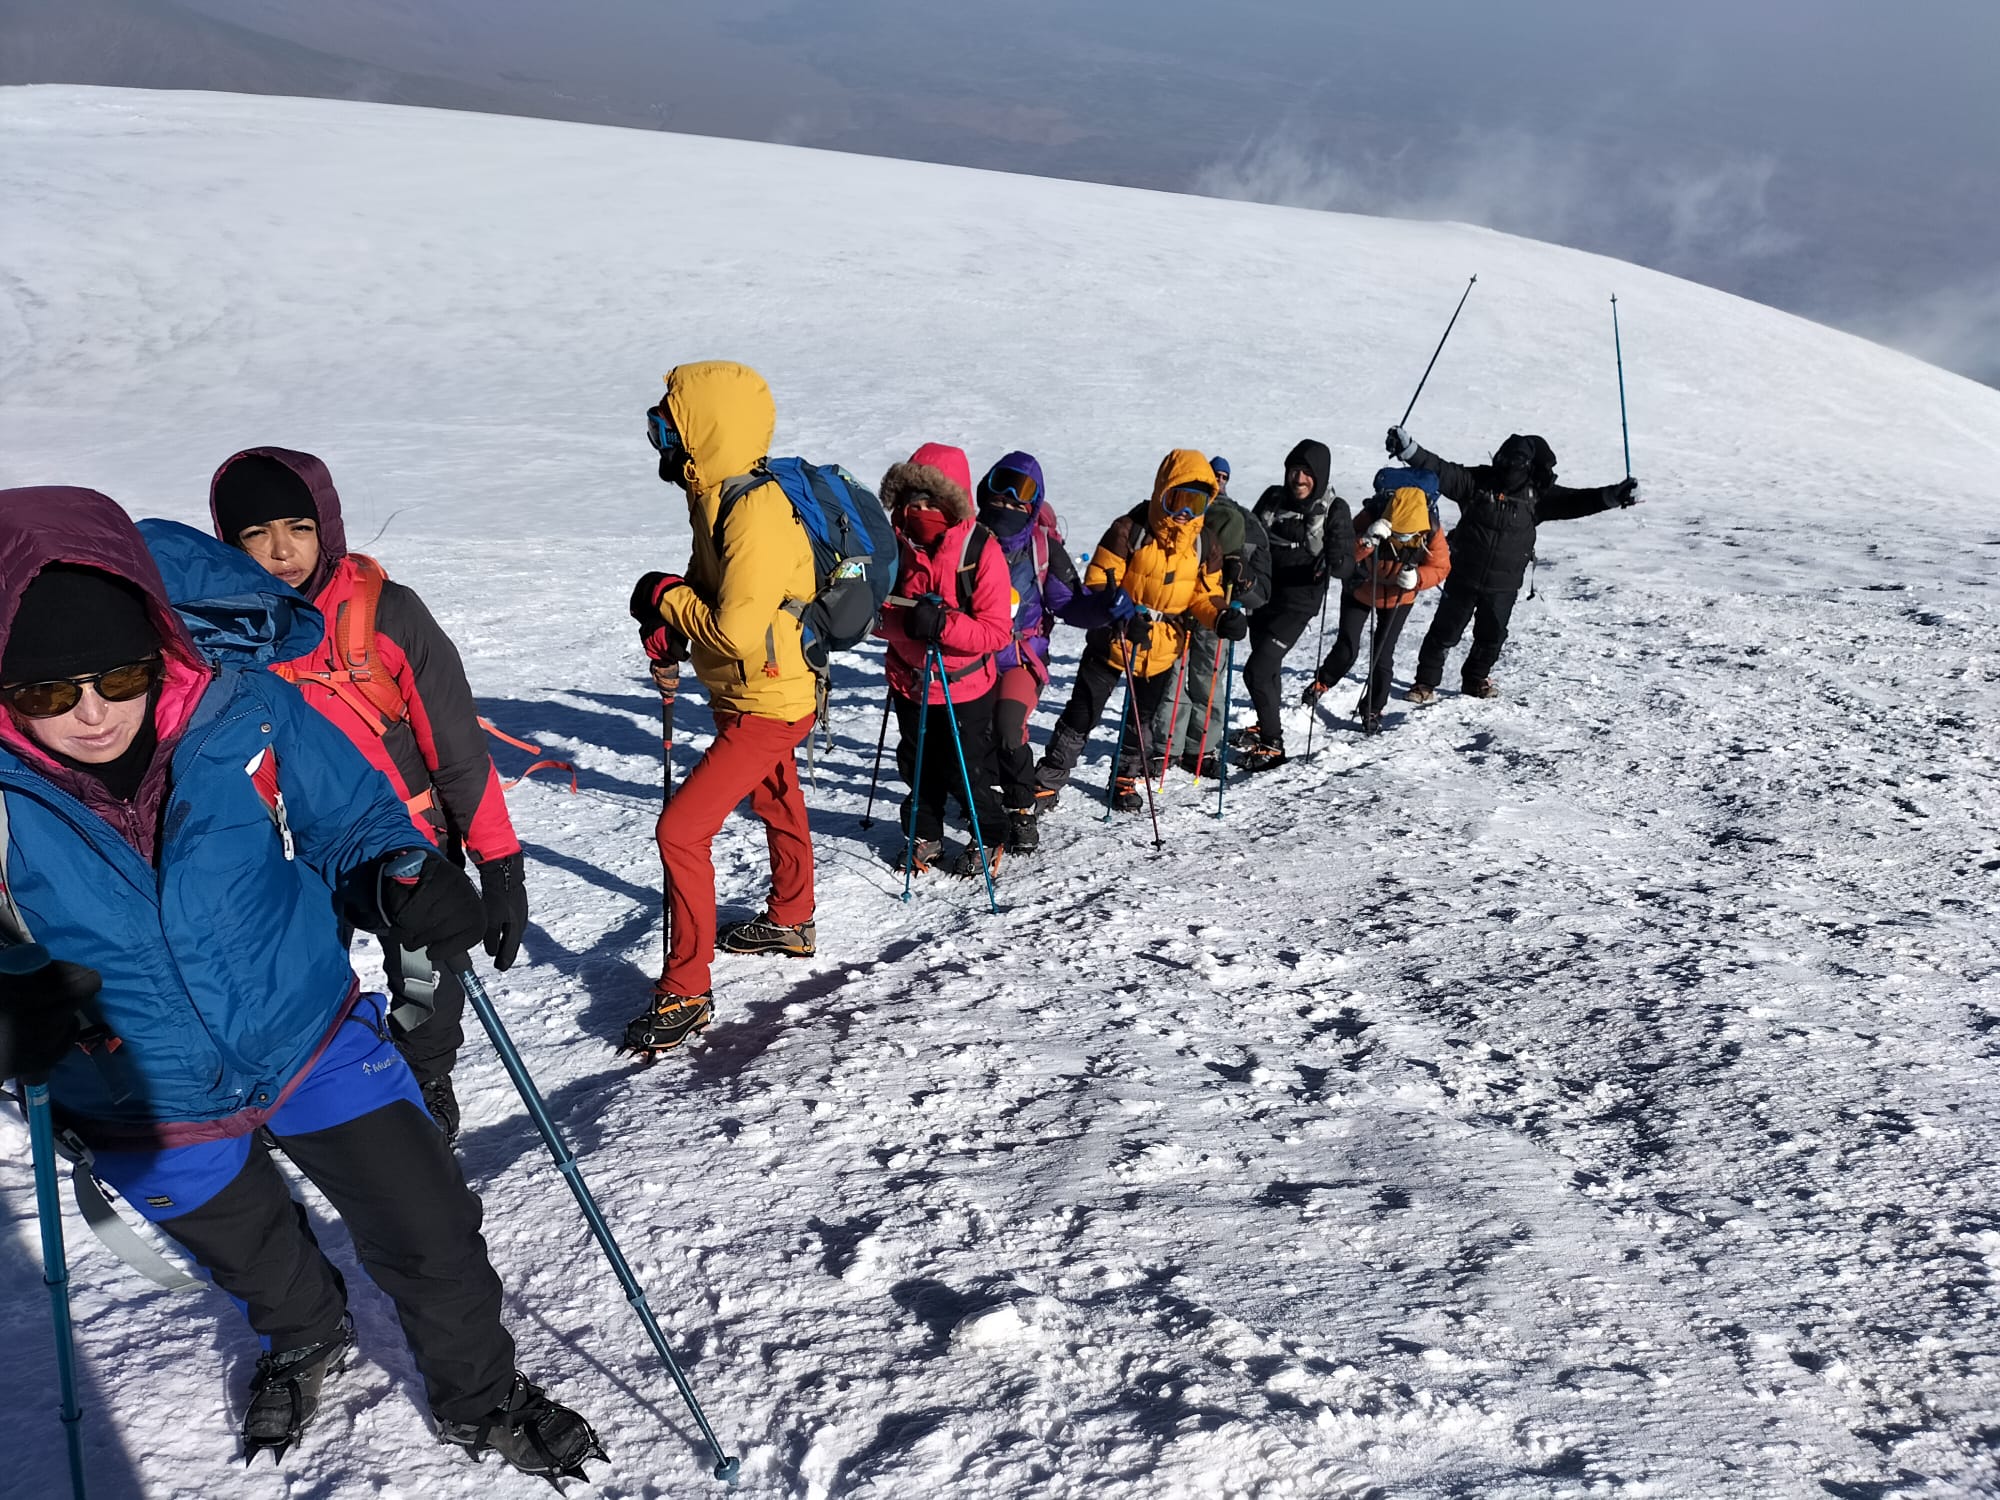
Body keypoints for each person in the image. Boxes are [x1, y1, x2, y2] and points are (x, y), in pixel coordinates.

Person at [0, 490, 599, 1478]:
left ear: (159, 651)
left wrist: (396, 875)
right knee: (256, 1262)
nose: (95, 712)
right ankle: (307, 1334)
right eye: (47, 695)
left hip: (308, 1034)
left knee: (430, 1230)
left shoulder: (248, 711)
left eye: (119, 674)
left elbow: (352, 820)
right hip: (137, 1097)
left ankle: (479, 1395)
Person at [210, 447, 526, 1144]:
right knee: (297, 985)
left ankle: (425, 1078)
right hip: (286, 849)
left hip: (400, 839)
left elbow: (458, 750)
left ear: (327, 525)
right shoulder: (219, 632)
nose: (281, 550)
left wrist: (499, 861)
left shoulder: (389, 615)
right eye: (255, 535)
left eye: (297, 525)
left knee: (424, 974)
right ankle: (300, 1092)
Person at [624, 361, 819, 1054]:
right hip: (748, 692)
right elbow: (715, 599)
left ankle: (685, 989)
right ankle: (793, 917)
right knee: (776, 797)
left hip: (770, 699)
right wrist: (671, 619)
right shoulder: (717, 498)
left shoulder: (756, 511)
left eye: (667, 425)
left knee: (681, 831)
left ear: (705, 430)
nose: (661, 439)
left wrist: (661, 593)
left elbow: (734, 629)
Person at [1034, 451, 1246, 813]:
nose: (1185, 512)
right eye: (1177, 499)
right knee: (1083, 712)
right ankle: (1049, 778)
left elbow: (1204, 596)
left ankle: (1125, 777)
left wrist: (1221, 617)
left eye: (1195, 503)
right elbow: (1099, 578)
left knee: (1142, 719)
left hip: (1163, 644)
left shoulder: (1204, 542)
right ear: (1162, 492)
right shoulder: (1129, 529)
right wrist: (1120, 610)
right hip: (1114, 636)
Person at [1385, 426, 1638, 701]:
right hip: (1463, 575)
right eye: (1505, 462)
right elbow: (1440, 470)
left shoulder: (1538, 495)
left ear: (1528, 467)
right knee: (1445, 631)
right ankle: (1424, 684)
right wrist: (1409, 450)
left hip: (1503, 585)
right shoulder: (1476, 482)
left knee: (1491, 636)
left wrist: (1615, 496)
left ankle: (1475, 679)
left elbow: (1578, 501)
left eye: (1515, 464)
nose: (1508, 469)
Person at [875, 443, 1014, 878]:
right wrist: (907, 623)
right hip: (909, 682)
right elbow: (875, 615)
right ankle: (925, 834)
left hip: (964, 687)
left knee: (965, 771)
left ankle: (990, 834)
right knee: (917, 768)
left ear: (951, 501)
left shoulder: (980, 551)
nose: (918, 507)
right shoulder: (893, 546)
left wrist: (942, 625)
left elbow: (995, 632)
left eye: (929, 499)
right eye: (912, 498)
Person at [970, 451, 1103, 853]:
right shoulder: (967, 541)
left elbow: (1068, 604)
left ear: (1032, 505)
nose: (1007, 505)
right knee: (974, 737)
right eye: (1000, 497)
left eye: (1018, 500)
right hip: (971, 657)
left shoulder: (1041, 548)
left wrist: (1105, 607)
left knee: (1011, 727)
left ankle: (1021, 810)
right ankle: (980, 801)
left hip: (1020, 656)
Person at [1300, 468, 1451, 737]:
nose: (1403, 538)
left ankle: (1373, 707)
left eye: (1409, 534)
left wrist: (1418, 578)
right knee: (1348, 646)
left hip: (1398, 597)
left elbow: (1440, 567)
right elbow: (1342, 553)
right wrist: (1367, 541)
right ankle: (1323, 682)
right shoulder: (1372, 515)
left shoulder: (1432, 528)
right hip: (1360, 587)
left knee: (1382, 655)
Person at [1236, 441, 1354, 770]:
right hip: (1262, 597)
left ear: (1320, 475)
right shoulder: (1273, 498)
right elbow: (1248, 535)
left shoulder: (1335, 509)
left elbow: (1347, 568)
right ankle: (1266, 725)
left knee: (1257, 671)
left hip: (1299, 603)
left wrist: (1336, 558)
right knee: (1267, 671)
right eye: (1294, 470)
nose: (1299, 478)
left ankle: (1274, 746)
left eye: (1307, 473)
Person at [1151, 454, 1271, 777]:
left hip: (1217, 610)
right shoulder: (1186, 505)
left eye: (1223, 475)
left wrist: (1243, 585)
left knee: (1208, 682)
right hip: (1178, 605)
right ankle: (1167, 747)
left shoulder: (1241, 518)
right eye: (1213, 474)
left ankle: (1199, 750)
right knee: (1174, 678)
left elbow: (1260, 579)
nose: (1218, 480)